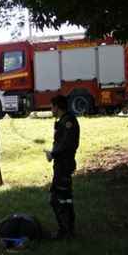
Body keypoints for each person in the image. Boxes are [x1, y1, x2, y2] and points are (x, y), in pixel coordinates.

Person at [44, 95, 80, 239]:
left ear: (57, 107)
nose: (50, 109)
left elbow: (67, 144)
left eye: (51, 106)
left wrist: (52, 154)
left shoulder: (68, 121)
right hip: (61, 165)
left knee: (59, 198)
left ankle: (65, 231)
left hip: (64, 165)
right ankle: (67, 230)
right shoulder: (63, 121)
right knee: (63, 197)